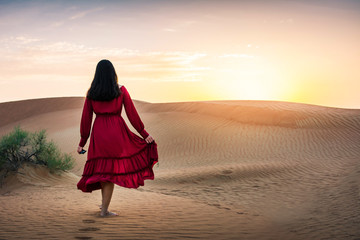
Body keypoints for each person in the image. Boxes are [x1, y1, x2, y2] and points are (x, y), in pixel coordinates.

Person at [76, 59, 158, 217]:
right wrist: (144, 134)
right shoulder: (121, 90)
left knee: (103, 170)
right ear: (113, 73)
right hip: (116, 132)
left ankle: (104, 206)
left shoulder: (91, 92)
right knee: (110, 172)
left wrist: (82, 141)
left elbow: (85, 119)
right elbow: (132, 114)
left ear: (97, 74)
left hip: (99, 133)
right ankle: (105, 211)